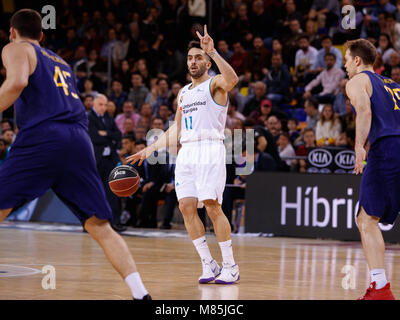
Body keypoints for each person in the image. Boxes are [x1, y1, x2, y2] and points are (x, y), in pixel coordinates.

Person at [0, 9, 150, 300]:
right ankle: (141, 294)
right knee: (100, 225)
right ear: (42, 36)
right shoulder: (62, 62)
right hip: (79, 140)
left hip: (44, 137)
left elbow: (16, 82)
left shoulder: (16, 47)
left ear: (12, 32)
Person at [127, 25, 240, 284]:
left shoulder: (215, 84)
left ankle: (230, 266)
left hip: (209, 148)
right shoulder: (184, 92)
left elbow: (233, 80)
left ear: (208, 62)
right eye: (190, 58)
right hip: (187, 152)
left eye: (199, 57)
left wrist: (215, 52)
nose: (193, 61)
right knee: (186, 207)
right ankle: (208, 264)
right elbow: (176, 127)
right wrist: (150, 148)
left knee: (212, 207)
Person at [345, 38, 398, 300]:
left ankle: (380, 288)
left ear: (357, 60)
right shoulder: (393, 85)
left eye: (346, 60)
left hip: (387, 148)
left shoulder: (357, 81)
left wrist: (359, 146)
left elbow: (364, 111)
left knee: (366, 219)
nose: (345, 65)